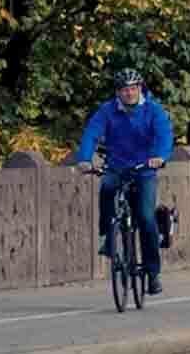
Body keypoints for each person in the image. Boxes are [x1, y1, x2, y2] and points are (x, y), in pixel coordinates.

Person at [74, 70, 172, 298]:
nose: (129, 93)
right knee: (107, 187)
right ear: (118, 92)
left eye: (133, 88)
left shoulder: (153, 110)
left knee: (146, 217)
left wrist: (159, 156)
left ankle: (153, 272)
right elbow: (91, 133)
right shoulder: (108, 110)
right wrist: (85, 159)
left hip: (144, 169)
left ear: (140, 88)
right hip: (117, 166)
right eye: (124, 89)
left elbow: (164, 135)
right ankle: (108, 236)